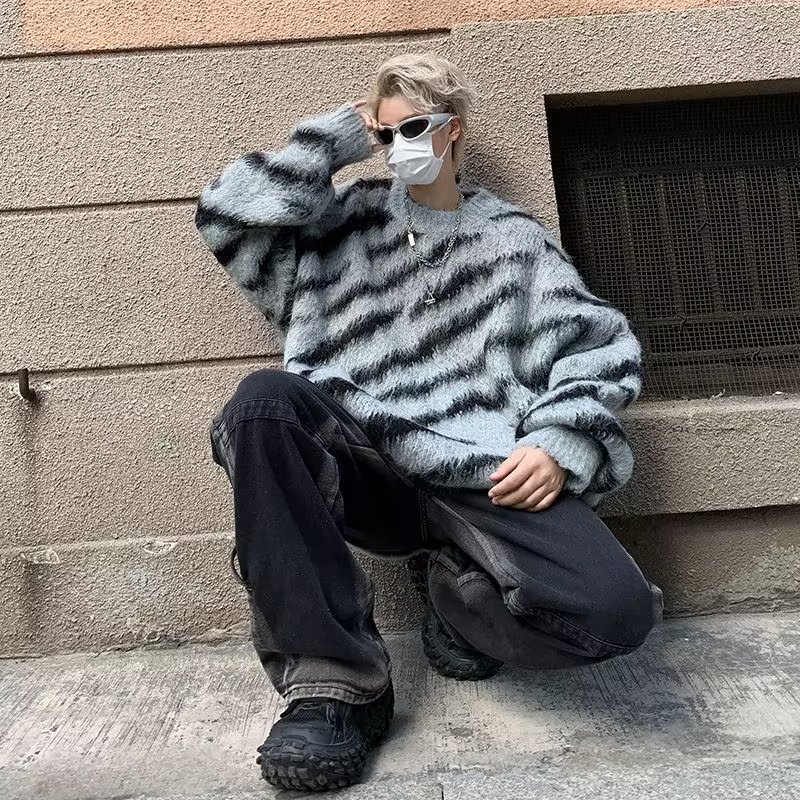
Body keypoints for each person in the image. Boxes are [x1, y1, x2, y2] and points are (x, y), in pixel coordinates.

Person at [194, 51, 663, 792]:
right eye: (386, 135)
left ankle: (455, 591)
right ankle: (334, 690)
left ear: (454, 129)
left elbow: (597, 347)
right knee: (262, 404)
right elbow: (225, 213)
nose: (399, 147)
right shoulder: (336, 226)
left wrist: (559, 440)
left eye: (415, 128)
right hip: (362, 464)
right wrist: (337, 139)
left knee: (616, 613)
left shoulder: (512, 240)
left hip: (479, 476)